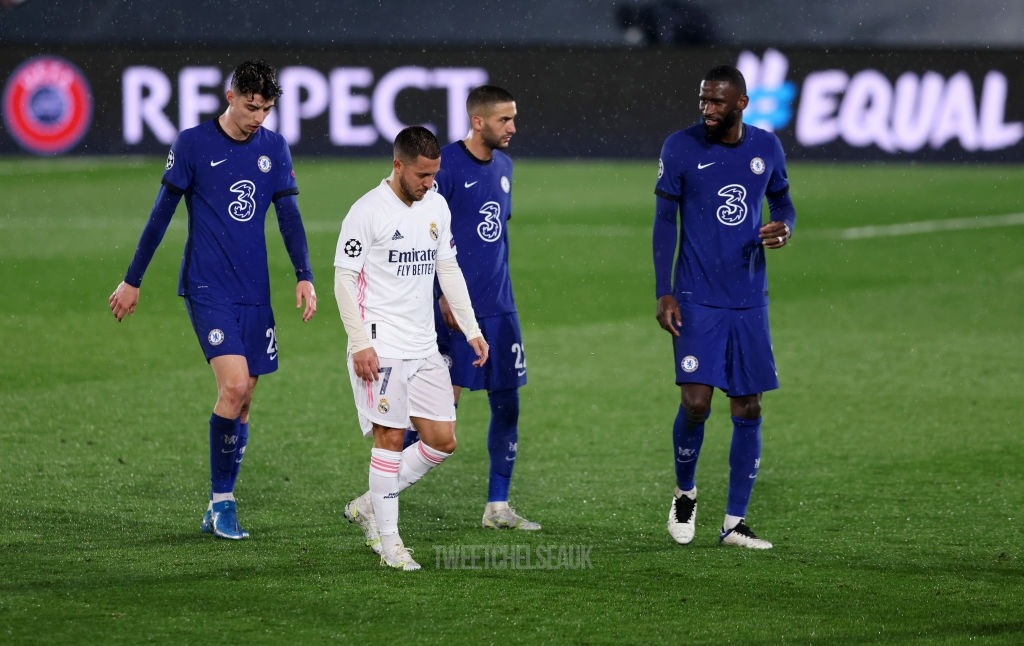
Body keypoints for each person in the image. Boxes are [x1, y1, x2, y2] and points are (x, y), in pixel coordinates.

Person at [108, 59, 317, 540]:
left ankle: (217, 503)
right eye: (251, 106)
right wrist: (132, 279)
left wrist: (304, 274)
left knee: (245, 403)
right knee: (234, 387)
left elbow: (289, 217)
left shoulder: (274, 148)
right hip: (207, 286)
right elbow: (161, 215)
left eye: (266, 109)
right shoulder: (193, 144)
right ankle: (224, 502)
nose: (258, 117)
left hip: (254, 291)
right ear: (230, 96)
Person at [652, 65, 796, 549]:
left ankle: (734, 523)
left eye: (716, 101)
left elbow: (783, 200)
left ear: (741, 103)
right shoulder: (680, 147)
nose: (706, 109)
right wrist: (663, 289)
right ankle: (685, 492)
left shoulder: (766, 148)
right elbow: (664, 223)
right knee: (696, 403)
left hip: (749, 298)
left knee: (748, 407)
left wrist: (784, 226)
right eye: (702, 100)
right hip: (695, 295)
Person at [334, 125, 489, 571]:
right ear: (398, 165)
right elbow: (344, 279)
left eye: (434, 174)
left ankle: (368, 504)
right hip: (380, 347)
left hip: (424, 346)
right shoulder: (367, 211)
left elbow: (449, 268)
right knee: (390, 438)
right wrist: (360, 342)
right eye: (421, 175)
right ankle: (390, 544)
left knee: (442, 441)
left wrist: (472, 328)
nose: (428, 183)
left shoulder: (436, 204)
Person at [402, 85, 540, 531]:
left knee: (508, 405)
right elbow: (419, 231)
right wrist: (440, 292)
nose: (513, 128)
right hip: (451, 311)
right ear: (478, 121)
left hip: (499, 308)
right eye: (504, 120)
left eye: (513, 118)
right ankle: (379, 495)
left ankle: (498, 507)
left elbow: (498, 234)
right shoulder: (444, 165)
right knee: (437, 414)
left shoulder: (505, 166)